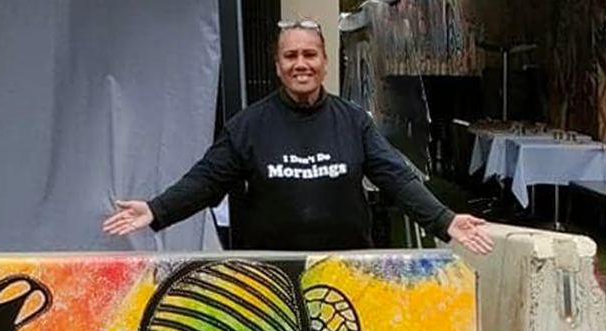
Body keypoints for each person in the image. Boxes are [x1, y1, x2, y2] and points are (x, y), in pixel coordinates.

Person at [103, 19, 494, 255]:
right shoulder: (248, 126)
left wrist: (444, 220)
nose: (301, 64)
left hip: (345, 273)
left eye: (310, 55)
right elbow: (205, 181)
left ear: (324, 63)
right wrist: (157, 210)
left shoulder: (353, 122)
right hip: (271, 277)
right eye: (290, 56)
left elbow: (397, 179)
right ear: (278, 66)